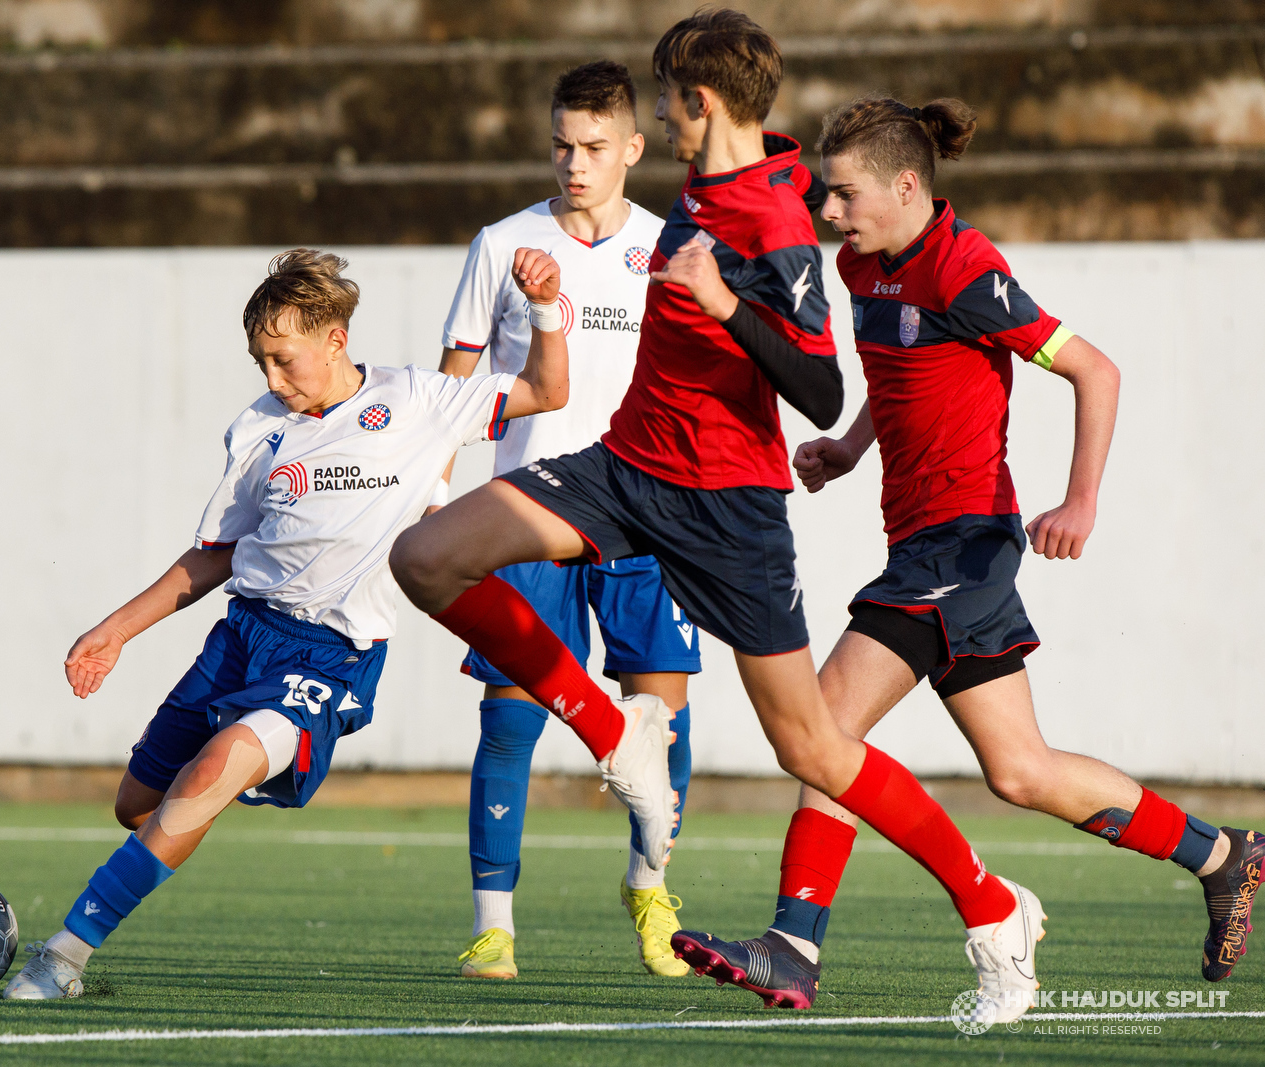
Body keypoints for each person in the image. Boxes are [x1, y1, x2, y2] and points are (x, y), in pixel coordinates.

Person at [390, 9, 1044, 1024]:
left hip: (729, 510)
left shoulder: (776, 222)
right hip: (625, 465)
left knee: (815, 751)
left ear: (697, 105)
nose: (660, 119)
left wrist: (727, 303)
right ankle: (620, 736)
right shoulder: (707, 185)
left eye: (664, 104)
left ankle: (990, 902)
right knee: (426, 557)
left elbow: (822, 390)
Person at [675, 95, 1264, 1010]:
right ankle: (1224, 853)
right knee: (1019, 769)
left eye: (843, 195)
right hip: (925, 543)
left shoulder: (967, 268)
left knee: (825, 728)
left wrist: (1080, 499)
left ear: (906, 185)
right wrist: (851, 446)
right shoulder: (863, 266)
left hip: (962, 543)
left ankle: (795, 942)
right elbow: (905, 372)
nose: (829, 213)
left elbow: (1095, 369)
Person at [3, 246, 571, 999]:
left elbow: (546, 388)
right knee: (139, 807)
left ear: (336, 339)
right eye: (260, 363)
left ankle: (62, 957)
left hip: (330, 655)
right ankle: (226, 772)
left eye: (283, 359)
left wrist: (543, 307)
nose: (272, 379)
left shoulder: (421, 400)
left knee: (209, 774)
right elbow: (215, 556)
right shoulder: (259, 429)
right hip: (240, 638)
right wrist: (114, 629)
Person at [438, 60, 700, 981]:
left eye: (593, 147)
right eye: (561, 144)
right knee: (509, 717)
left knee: (664, 719)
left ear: (633, 147)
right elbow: (455, 386)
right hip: (530, 510)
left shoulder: (673, 248)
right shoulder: (501, 243)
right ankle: (493, 926)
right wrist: (435, 487)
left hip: (644, 512)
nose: (573, 163)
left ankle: (649, 885)